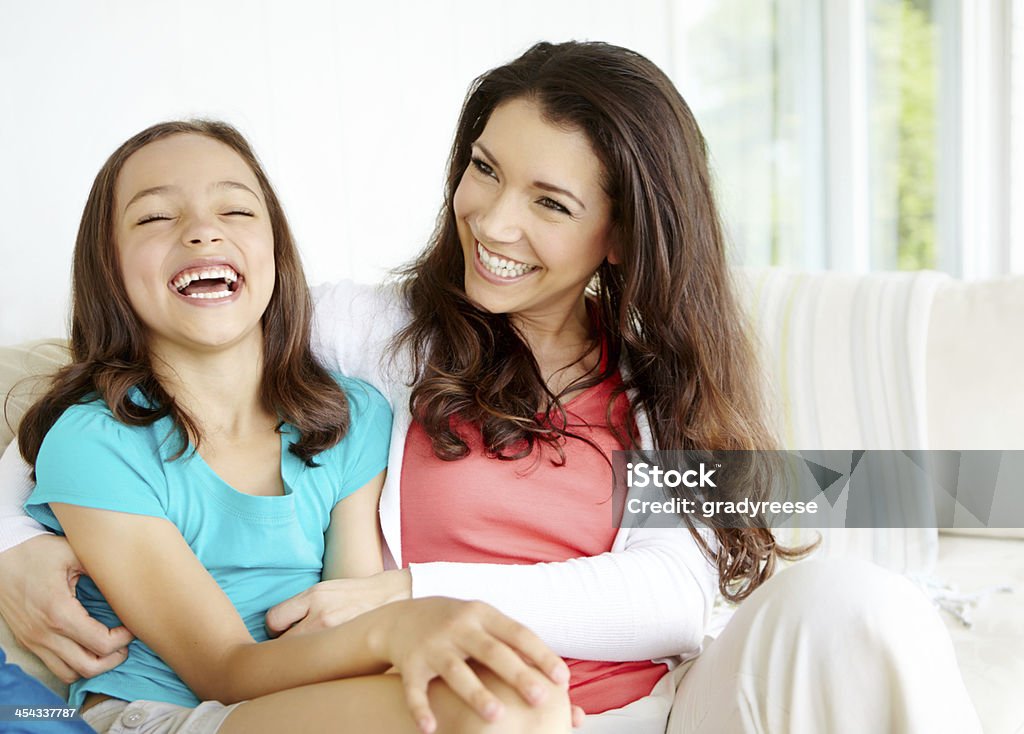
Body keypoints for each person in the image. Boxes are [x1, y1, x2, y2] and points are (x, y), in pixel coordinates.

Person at [1, 42, 982, 733]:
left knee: (860, 599)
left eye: (549, 202)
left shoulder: (654, 388)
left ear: (624, 234)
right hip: (468, 709)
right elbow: (114, 387)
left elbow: (672, 596)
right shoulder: (380, 332)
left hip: (658, 706)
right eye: (483, 169)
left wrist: (411, 592)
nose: (492, 219)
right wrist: (10, 544)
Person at [3, 120, 572, 734]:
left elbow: (680, 591)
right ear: (108, 266)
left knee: (515, 708)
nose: (203, 230)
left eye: (235, 208)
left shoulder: (354, 416)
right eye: (155, 218)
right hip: (167, 707)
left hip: (325, 688)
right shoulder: (98, 440)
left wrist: (410, 623)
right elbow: (225, 667)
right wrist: (405, 621)